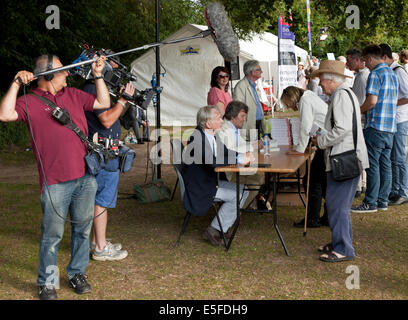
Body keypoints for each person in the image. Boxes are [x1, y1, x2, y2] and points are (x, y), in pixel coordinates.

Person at [0, 54, 110, 299]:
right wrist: (16, 83)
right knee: (52, 235)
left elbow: (103, 102)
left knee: (83, 230)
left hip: (85, 177)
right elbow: (5, 115)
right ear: (47, 75)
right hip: (55, 183)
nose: (68, 74)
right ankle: (48, 282)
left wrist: (98, 74)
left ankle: (76, 273)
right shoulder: (29, 101)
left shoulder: (73, 95)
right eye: (63, 70)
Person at [310, 60, 369, 262]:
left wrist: (321, 141)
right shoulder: (343, 94)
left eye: (321, 80)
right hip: (347, 157)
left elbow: (342, 129)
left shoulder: (341, 96)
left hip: (345, 159)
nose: (319, 84)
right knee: (337, 204)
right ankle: (339, 243)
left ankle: (343, 248)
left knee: (337, 206)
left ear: (331, 80)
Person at [83, 54, 132, 261]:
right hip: (102, 154)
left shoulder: (96, 87)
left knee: (100, 199)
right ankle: (101, 248)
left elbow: (114, 115)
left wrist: (124, 101)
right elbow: (106, 119)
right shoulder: (94, 87)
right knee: (101, 200)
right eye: (111, 66)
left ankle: (97, 240)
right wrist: (122, 100)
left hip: (103, 152)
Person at [181, 105, 251, 246]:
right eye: (218, 118)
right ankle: (214, 230)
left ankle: (221, 227)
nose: (222, 120)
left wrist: (240, 155)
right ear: (208, 123)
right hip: (200, 186)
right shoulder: (197, 138)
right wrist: (239, 160)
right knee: (238, 194)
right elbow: (212, 162)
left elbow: (225, 152)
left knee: (244, 190)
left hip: (209, 180)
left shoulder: (210, 134)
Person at [351, 44, 398, 213]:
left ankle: (370, 202)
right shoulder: (392, 74)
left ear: (370, 58)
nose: (365, 64)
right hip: (390, 127)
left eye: (365, 60)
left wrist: (357, 111)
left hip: (375, 125)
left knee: (372, 165)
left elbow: (371, 101)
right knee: (385, 164)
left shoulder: (375, 73)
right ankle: (382, 201)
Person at [280, 86, 328, 228]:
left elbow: (305, 127)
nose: (289, 108)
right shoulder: (309, 96)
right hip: (325, 142)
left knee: (312, 181)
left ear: (292, 99)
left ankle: (313, 218)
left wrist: (300, 149)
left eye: (288, 104)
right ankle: (326, 216)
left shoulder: (306, 100)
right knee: (322, 182)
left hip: (325, 143)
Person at [217, 100, 261, 208]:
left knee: (258, 176)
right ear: (233, 116)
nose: (244, 119)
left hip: (234, 168)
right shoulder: (224, 130)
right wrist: (252, 146)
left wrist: (254, 144)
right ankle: (235, 209)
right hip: (228, 173)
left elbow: (242, 144)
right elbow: (230, 150)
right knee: (256, 180)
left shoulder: (233, 129)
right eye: (242, 116)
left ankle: (238, 206)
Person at [379, 43, 408, 206]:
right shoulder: (391, 71)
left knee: (399, 157)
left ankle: (403, 191)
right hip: (393, 119)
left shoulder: (399, 72)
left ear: (384, 57)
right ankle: (396, 190)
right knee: (393, 157)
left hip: (401, 118)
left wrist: (391, 103)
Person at [346, 48, 370, 197]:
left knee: (358, 152)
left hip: (360, 120)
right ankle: (361, 185)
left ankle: (359, 186)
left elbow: (360, 102)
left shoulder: (362, 77)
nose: (347, 64)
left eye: (349, 61)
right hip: (362, 119)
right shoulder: (362, 75)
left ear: (357, 60)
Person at [233, 60, 264, 140]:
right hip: (249, 125)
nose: (261, 71)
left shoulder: (253, 85)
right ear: (252, 72)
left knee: (257, 148)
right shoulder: (241, 86)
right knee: (252, 149)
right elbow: (238, 109)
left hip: (257, 122)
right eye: (259, 69)